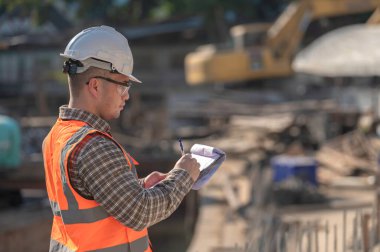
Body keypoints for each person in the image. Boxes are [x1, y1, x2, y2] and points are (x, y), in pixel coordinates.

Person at [42, 25, 200, 252]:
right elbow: (140, 212)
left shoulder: (57, 136)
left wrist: (138, 187)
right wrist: (184, 175)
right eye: (123, 84)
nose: (127, 95)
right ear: (95, 85)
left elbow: (87, 199)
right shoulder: (93, 146)